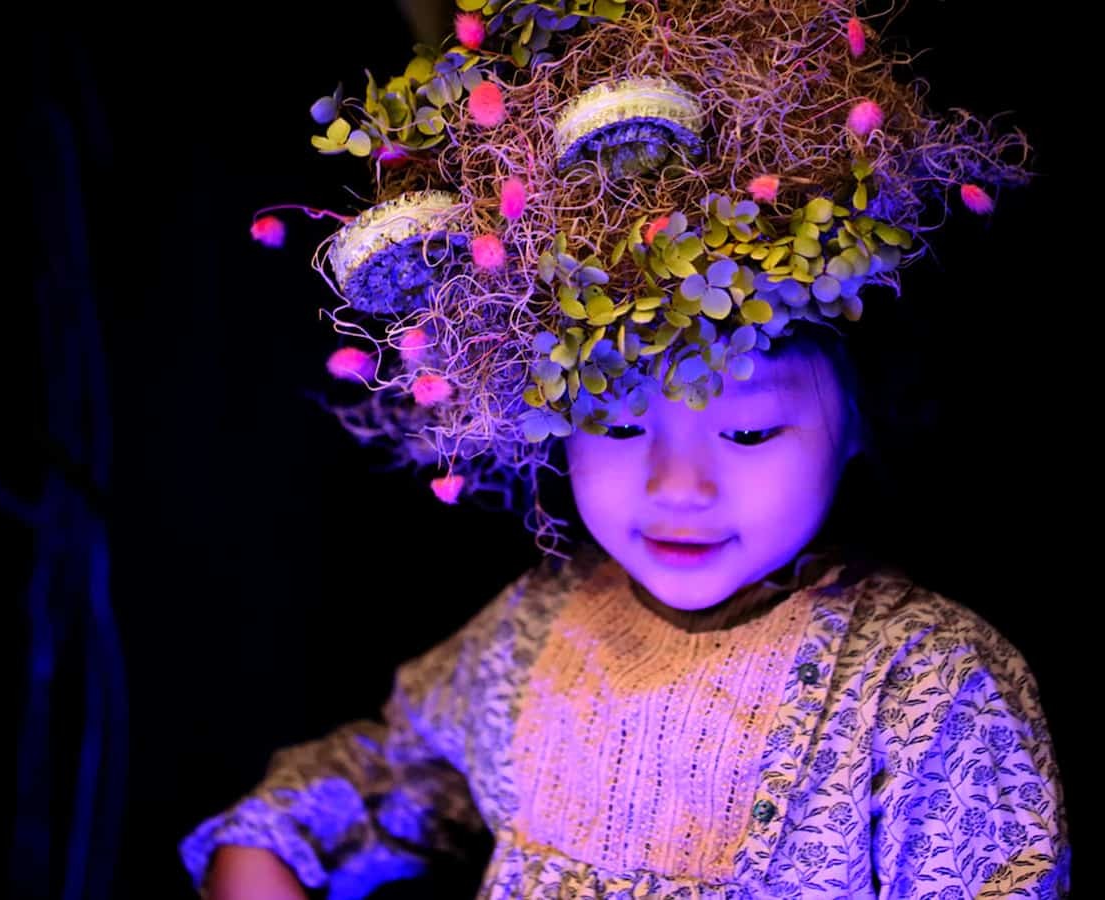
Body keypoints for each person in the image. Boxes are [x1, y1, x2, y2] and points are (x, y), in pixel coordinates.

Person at [185, 0, 1069, 895]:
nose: (677, 485)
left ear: (859, 425)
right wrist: (265, 850)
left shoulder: (926, 685)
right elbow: (393, 770)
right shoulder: (537, 631)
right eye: (612, 418)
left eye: (750, 430)